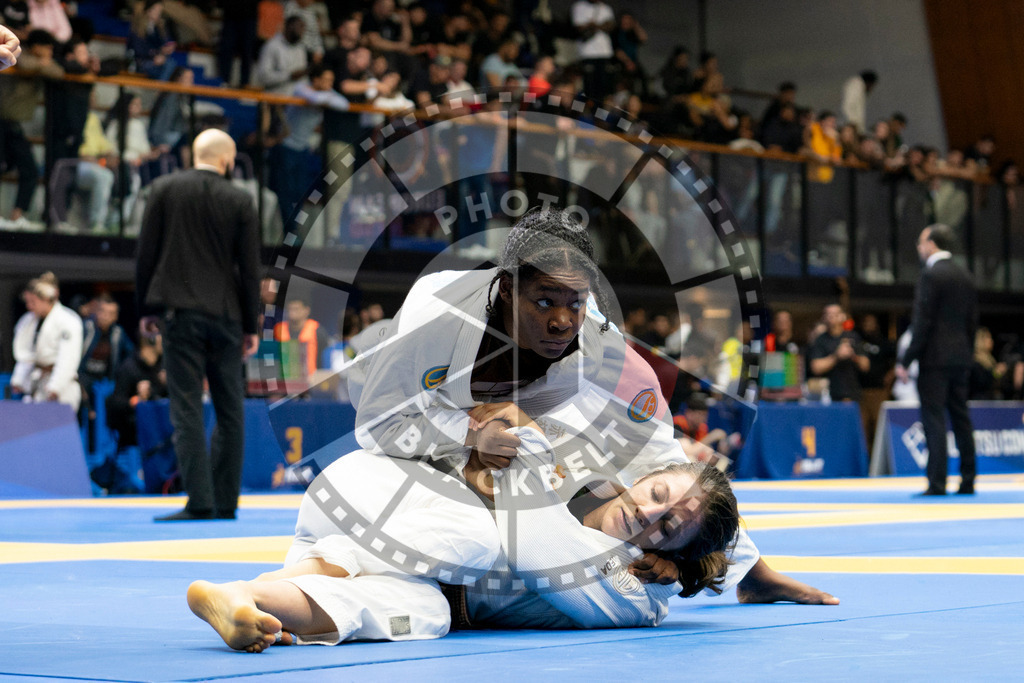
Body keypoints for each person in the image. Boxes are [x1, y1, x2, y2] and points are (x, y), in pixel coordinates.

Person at [351, 208, 837, 606]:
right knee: (451, 506)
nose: (563, 321)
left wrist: (689, 561)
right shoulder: (436, 313)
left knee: (671, 485)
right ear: (507, 288)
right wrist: (468, 433)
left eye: (577, 302)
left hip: (543, 407)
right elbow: (375, 425)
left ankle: (753, 573)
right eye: (544, 302)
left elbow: (661, 461)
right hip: (419, 406)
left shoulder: (602, 351)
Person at [186, 422, 740, 650]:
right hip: (375, 490)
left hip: (397, 569)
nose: (648, 513)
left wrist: (522, 472)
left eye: (669, 527)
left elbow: (536, 551)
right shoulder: (579, 468)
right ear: (646, 476)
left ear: (675, 554)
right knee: (476, 534)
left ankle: (250, 597)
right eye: (659, 494)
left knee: (425, 615)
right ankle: (294, 577)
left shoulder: (640, 596)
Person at [136, 128, 262, 521]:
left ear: (195, 154)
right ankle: (226, 502)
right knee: (230, 408)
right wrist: (251, 325)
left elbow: (147, 254)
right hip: (226, 315)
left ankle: (200, 500)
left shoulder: (164, 189)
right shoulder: (240, 198)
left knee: (186, 406)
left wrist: (146, 308)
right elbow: (250, 267)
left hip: (179, 312)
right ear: (226, 160)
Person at [897, 223, 978, 496]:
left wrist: (906, 360)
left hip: (935, 359)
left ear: (931, 244)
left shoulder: (931, 275)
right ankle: (968, 480)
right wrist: (967, 353)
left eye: (921, 242)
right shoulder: (966, 275)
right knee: (961, 417)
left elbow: (923, 322)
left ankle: (937, 482)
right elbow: (972, 322)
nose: (919, 248)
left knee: (934, 419)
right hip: (961, 357)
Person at [11, 272, 84, 411]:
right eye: (27, 302)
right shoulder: (28, 321)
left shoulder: (68, 320)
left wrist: (55, 387)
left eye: (33, 302)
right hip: (37, 382)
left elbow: (68, 358)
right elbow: (26, 354)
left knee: (59, 429)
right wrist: (18, 379)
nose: (29, 306)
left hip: (63, 387)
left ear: (46, 299)